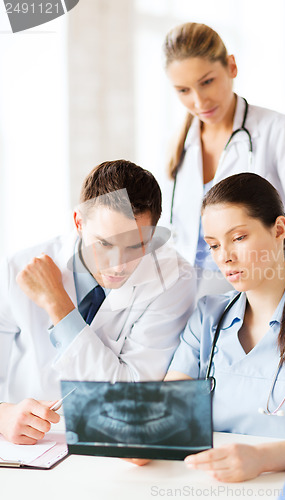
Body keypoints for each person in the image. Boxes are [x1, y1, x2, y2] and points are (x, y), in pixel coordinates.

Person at [162, 172, 285, 482]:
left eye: (239, 238)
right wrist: (140, 440)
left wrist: (262, 460)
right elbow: (165, 413)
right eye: (213, 245)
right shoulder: (207, 317)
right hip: (215, 485)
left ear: (278, 229)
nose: (225, 257)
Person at [161, 21, 285, 313]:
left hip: (261, 291)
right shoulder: (178, 145)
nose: (199, 101)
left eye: (207, 82)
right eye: (183, 90)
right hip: (191, 299)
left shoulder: (276, 131)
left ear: (231, 67)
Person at [0, 159, 196, 445]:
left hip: (118, 445)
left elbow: (131, 397)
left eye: (136, 246)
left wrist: (59, 306)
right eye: (104, 244)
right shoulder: (19, 268)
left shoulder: (174, 278)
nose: (118, 266)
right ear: (79, 222)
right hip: (29, 445)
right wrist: (2, 415)